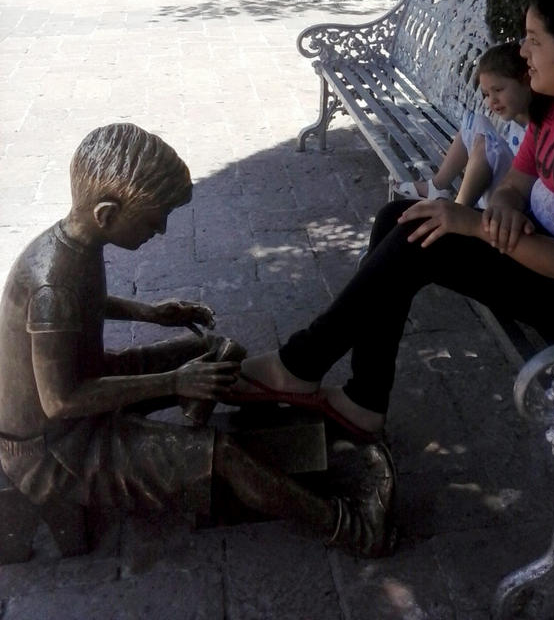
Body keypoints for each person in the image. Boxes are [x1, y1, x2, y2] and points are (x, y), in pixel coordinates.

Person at [230, 0, 554, 440]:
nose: (522, 52)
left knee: (426, 240)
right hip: (553, 253)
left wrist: (474, 225)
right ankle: (361, 396)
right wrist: (507, 204)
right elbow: (514, 182)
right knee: (402, 216)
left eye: (533, 40)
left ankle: (303, 364)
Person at [0, 123, 395, 557]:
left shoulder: (72, 246)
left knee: (213, 353)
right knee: (221, 453)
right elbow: (61, 401)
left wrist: (150, 313)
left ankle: (191, 427)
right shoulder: (51, 285)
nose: (163, 231)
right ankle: (353, 528)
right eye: (154, 220)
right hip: (57, 448)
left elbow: (83, 303)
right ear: (107, 214)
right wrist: (173, 382)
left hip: (82, 394)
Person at [392, 42, 531, 206]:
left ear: (527, 81)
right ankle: (436, 186)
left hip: (507, 202)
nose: (492, 101)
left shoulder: (540, 128)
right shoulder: (516, 119)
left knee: (489, 147)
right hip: (499, 187)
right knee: (477, 122)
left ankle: (459, 208)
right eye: (486, 94)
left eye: (498, 90)